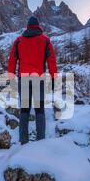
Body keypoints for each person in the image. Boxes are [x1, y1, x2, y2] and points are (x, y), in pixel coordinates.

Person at [7, 16, 57, 144]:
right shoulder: (45, 40)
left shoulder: (19, 41)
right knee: (39, 110)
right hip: (38, 79)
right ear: (38, 26)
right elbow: (51, 60)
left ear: (28, 26)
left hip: (23, 79)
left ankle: (23, 141)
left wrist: (11, 76)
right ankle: (41, 141)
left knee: (24, 110)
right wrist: (53, 77)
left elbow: (12, 59)